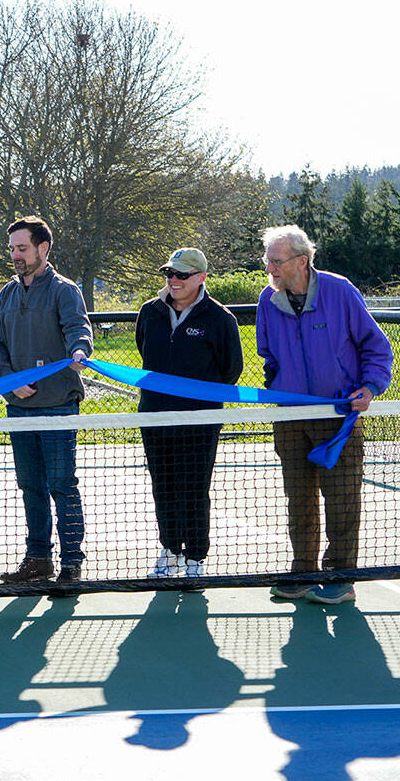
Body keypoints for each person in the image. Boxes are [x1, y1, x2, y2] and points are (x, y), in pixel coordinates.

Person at [257, 224, 392, 605]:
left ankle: (341, 576)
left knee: (343, 499)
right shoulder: (268, 300)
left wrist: (369, 388)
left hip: (340, 417)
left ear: (302, 261)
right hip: (290, 419)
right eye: (268, 261)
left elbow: (376, 348)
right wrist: (280, 384)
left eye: (277, 261)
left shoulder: (340, 290)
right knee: (298, 498)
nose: (270, 269)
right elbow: (267, 354)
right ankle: (303, 572)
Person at [0, 215, 93, 586]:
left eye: (22, 248)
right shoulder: (7, 292)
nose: (16, 255)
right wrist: (9, 381)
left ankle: (71, 563)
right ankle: (38, 559)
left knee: (62, 485)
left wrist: (80, 351)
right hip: (18, 408)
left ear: (43, 248)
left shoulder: (65, 290)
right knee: (30, 485)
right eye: (13, 249)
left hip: (58, 406)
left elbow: (78, 328)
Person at [135, 248, 243, 579]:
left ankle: (195, 558)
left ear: (201, 278)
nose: (174, 280)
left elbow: (231, 371)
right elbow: (144, 350)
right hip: (154, 417)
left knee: (194, 488)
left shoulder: (220, 319)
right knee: (163, 486)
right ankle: (169, 551)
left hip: (200, 421)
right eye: (170, 273)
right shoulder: (149, 312)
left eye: (182, 275)